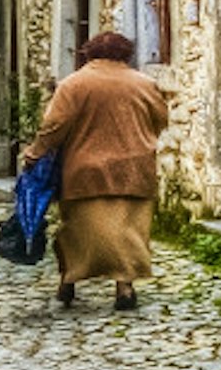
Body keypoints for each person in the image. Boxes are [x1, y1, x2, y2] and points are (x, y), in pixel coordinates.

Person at [31, 28, 169, 312]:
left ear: (89, 53)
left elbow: (54, 127)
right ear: (125, 54)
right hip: (134, 169)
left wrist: (35, 153)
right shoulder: (144, 84)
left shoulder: (73, 85)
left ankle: (68, 281)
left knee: (77, 230)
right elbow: (160, 118)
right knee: (129, 231)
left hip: (85, 171)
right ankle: (124, 285)